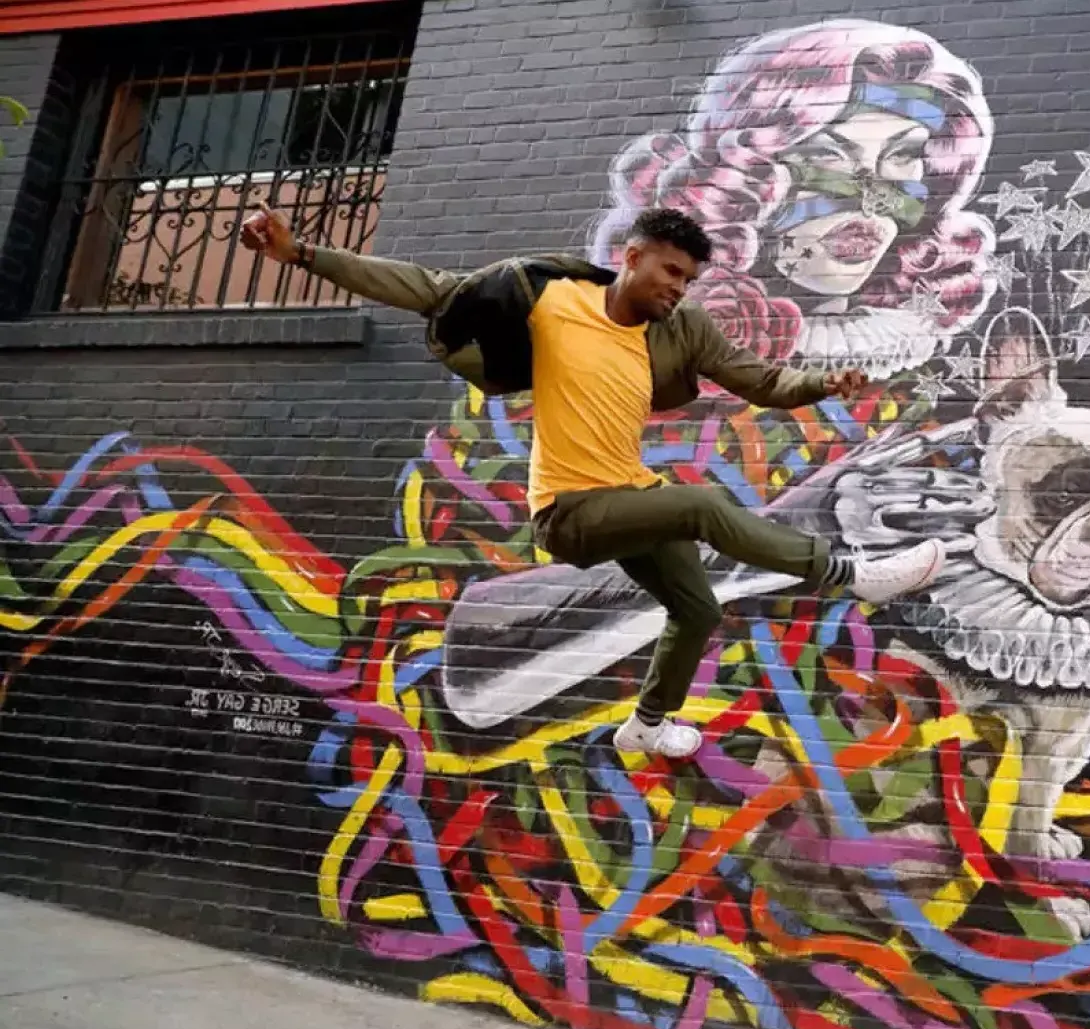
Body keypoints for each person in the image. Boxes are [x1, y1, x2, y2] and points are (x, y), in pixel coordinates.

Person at [238, 203, 946, 760]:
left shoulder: (683, 329)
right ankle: (846, 574)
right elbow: (426, 290)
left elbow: (761, 382)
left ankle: (647, 725)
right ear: (631, 257)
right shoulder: (551, 299)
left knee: (696, 610)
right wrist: (300, 254)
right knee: (701, 503)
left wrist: (824, 383)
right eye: (669, 272)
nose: (677, 290)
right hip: (570, 511)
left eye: (688, 281)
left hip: (627, 496)